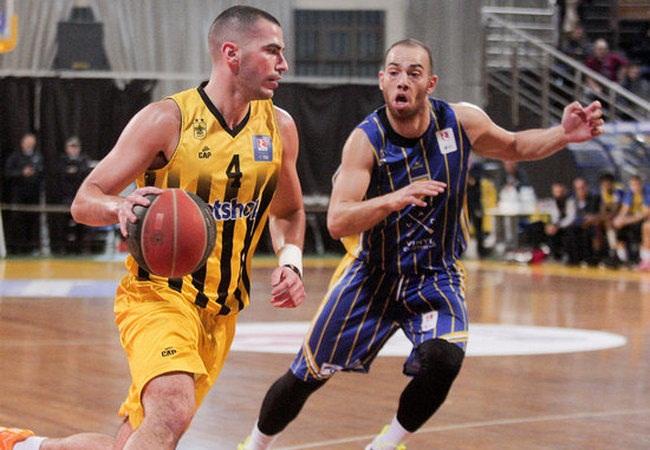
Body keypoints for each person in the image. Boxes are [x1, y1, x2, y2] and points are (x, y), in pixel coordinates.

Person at [239, 38, 604, 450]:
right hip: (372, 277)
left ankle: (386, 444)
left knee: (445, 359)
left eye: (414, 73)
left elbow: (515, 146)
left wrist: (562, 134)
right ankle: (255, 444)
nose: (402, 81)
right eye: (394, 72)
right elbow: (338, 221)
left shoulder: (460, 122)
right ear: (382, 80)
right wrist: (394, 198)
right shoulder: (366, 140)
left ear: (430, 83)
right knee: (306, 375)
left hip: (435, 275)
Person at [1, 5, 306, 450]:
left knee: (137, 440)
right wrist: (120, 206)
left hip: (221, 312)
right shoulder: (167, 120)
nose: (284, 64)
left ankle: (20, 445)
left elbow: (288, 211)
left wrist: (291, 261)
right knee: (172, 411)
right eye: (272, 51)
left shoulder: (279, 128)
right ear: (231, 54)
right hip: (158, 296)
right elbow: (85, 199)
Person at [49, 136, 92, 254]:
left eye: (75, 147)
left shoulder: (84, 160)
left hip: (80, 197)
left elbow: (85, 174)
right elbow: (58, 176)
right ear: (67, 148)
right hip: (65, 197)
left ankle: (80, 248)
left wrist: (74, 172)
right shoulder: (61, 160)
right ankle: (63, 248)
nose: (73, 149)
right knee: (63, 223)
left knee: (81, 223)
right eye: (71, 147)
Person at [3, 132, 44, 254]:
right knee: (18, 220)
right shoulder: (15, 157)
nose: (29, 145)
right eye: (27, 142)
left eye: (32, 143)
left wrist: (35, 173)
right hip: (18, 195)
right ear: (22, 143)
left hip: (33, 195)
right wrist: (22, 173)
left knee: (32, 221)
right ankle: (17, 248)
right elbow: (7, 173)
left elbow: (42, 173)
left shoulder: (38, 156)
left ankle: (31, 247)